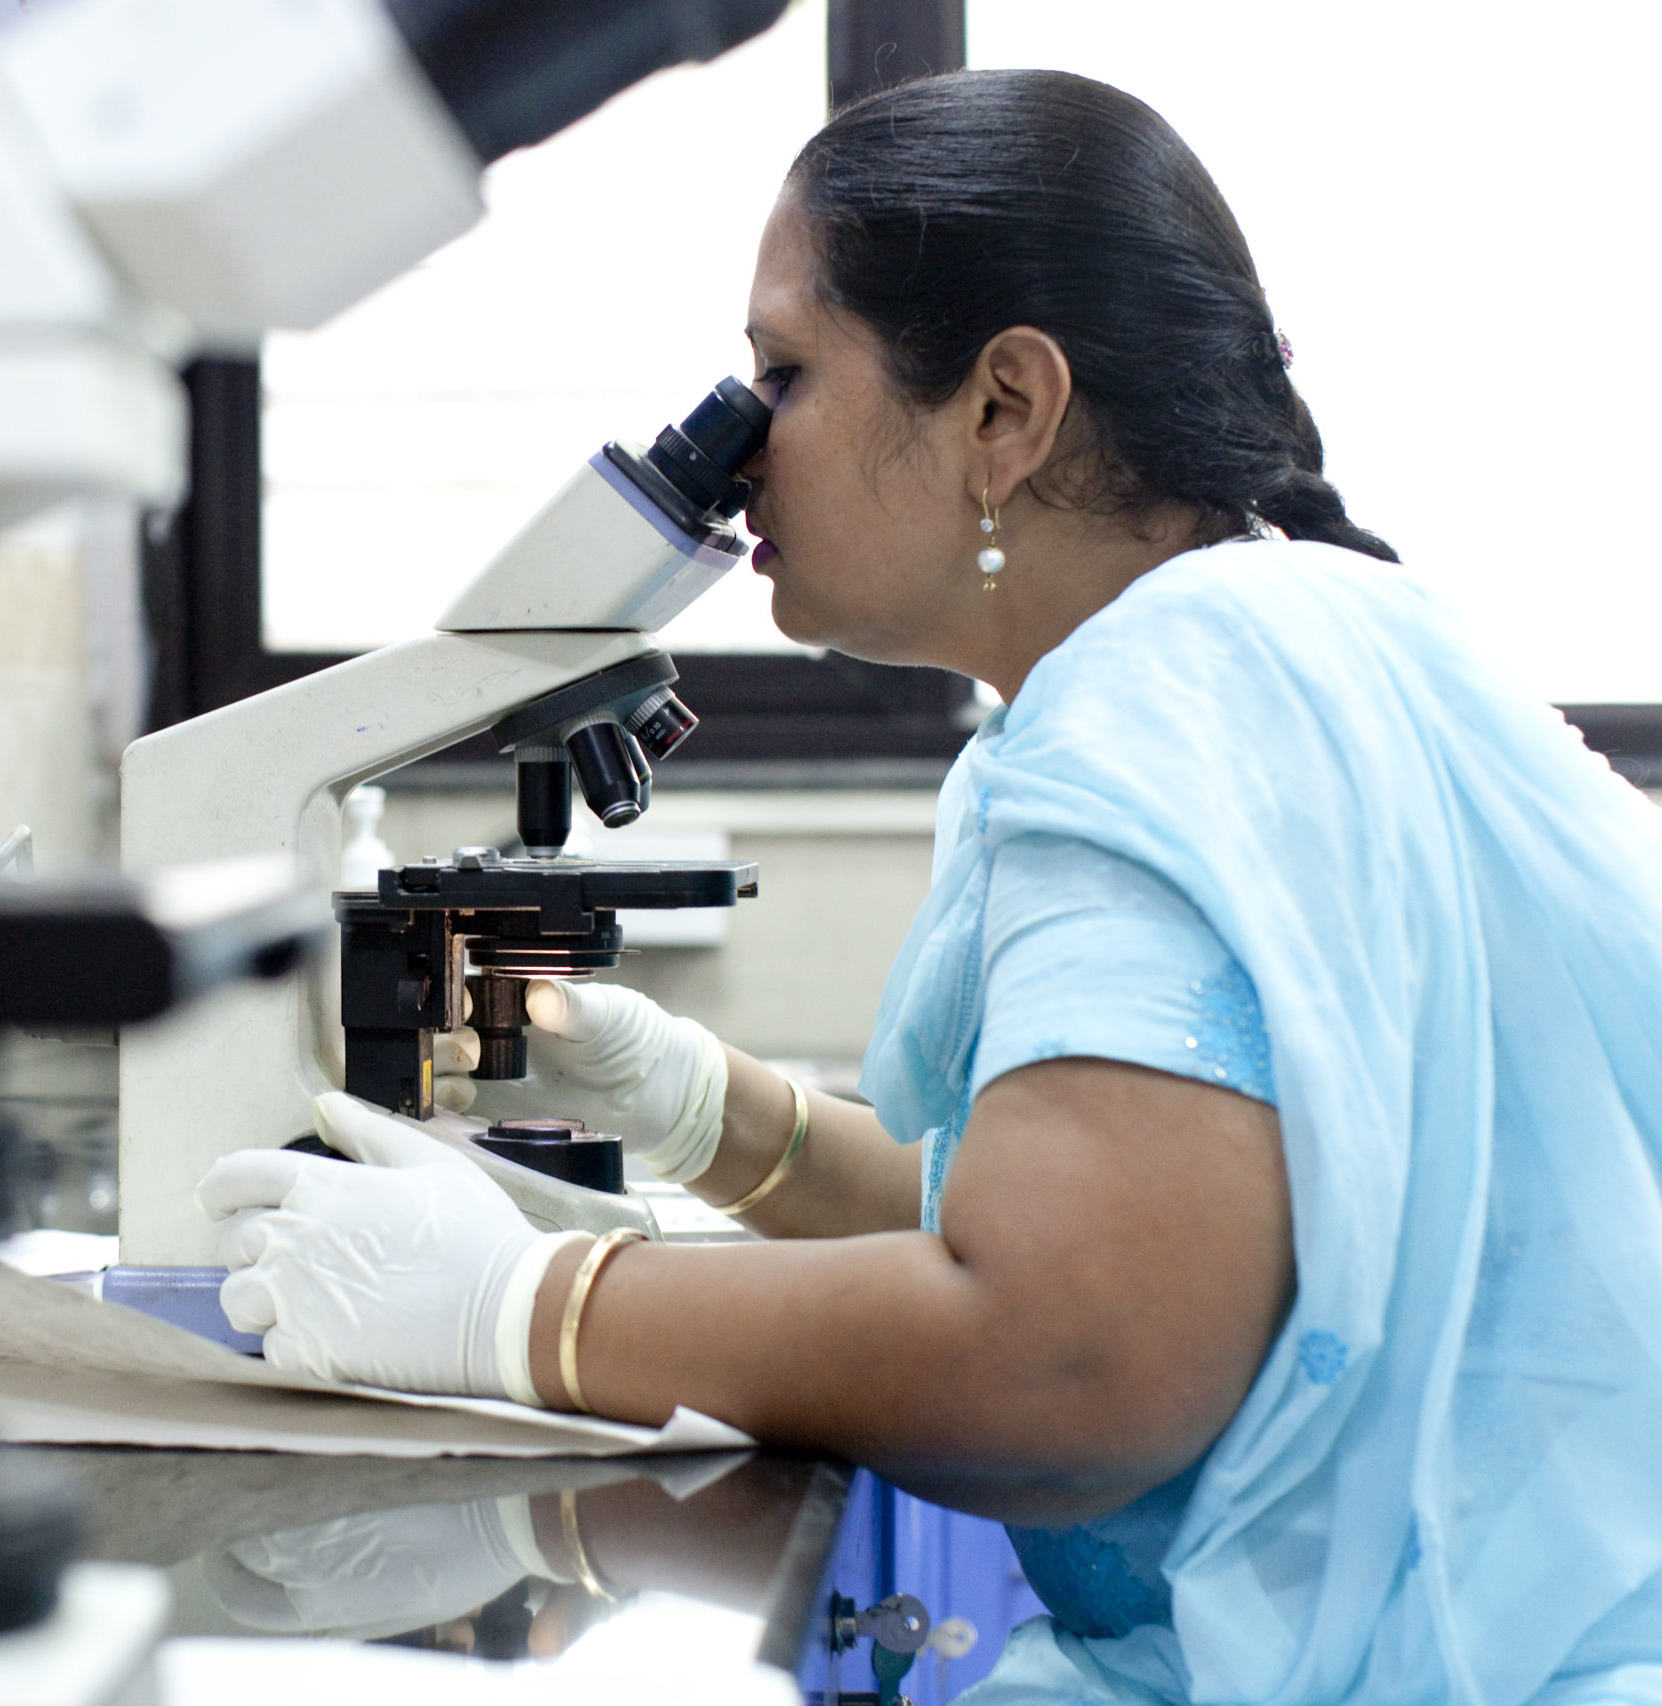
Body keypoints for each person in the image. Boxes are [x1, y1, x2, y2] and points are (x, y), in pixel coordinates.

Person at [197, 68, 1662, 1705]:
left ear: (1004, 410)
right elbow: (1110, 1206)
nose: (739, 456)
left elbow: (1072, 1347)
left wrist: (529, 1309)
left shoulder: (1170, 686)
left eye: (784, 373)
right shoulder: (1278, 638)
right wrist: (712, 1115)